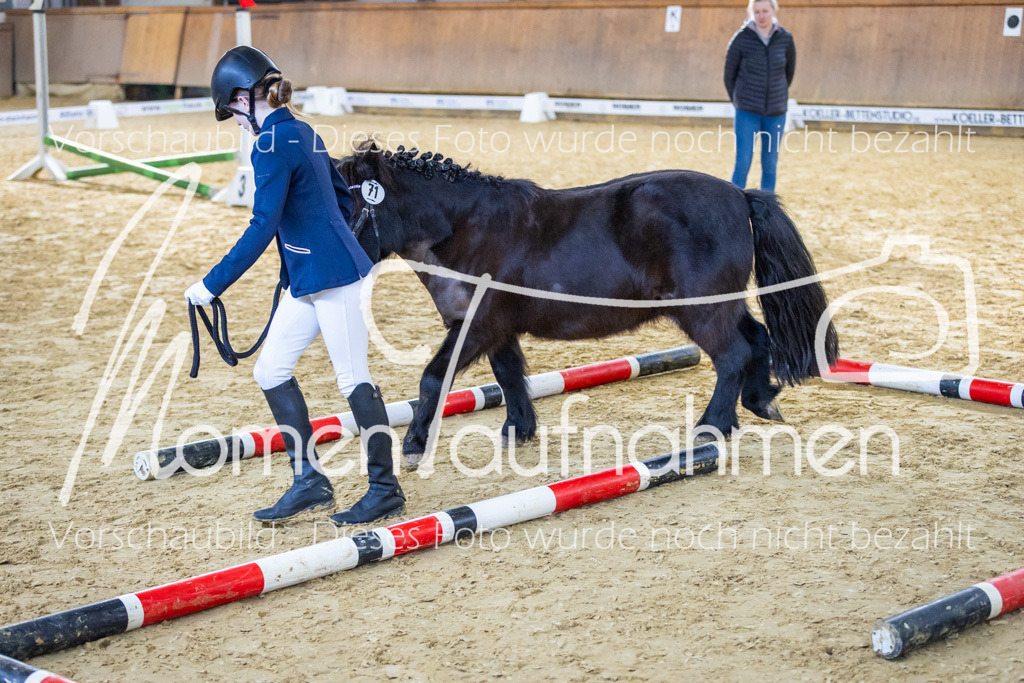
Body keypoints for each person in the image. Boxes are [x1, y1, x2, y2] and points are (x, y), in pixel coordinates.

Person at [185, 46, 405, 526]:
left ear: (245, 99)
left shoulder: (269, 144)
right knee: (270, 370)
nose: (237, 124)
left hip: (336, 278)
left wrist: (211, 284)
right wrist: (306, 254)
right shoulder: (301, 130)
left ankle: (385, 489)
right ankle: (309, 480)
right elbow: (344, 199)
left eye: (234, 114)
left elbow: (263, 224)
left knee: (353, 378)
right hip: (311, 275)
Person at [723, 0, 796, 192]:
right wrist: (740, 100)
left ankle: (768, 213)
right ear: (751, 13)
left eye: (765, 11)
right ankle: (734, 209)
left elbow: (789, 72)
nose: (761, 16)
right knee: (743, 162)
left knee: (770, 164)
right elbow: (728, 75)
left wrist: (775, 95)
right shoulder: (740, 39)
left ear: (773, 10)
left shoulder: (785, 38)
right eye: (757, 12)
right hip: (747, 112)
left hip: (776, 112)